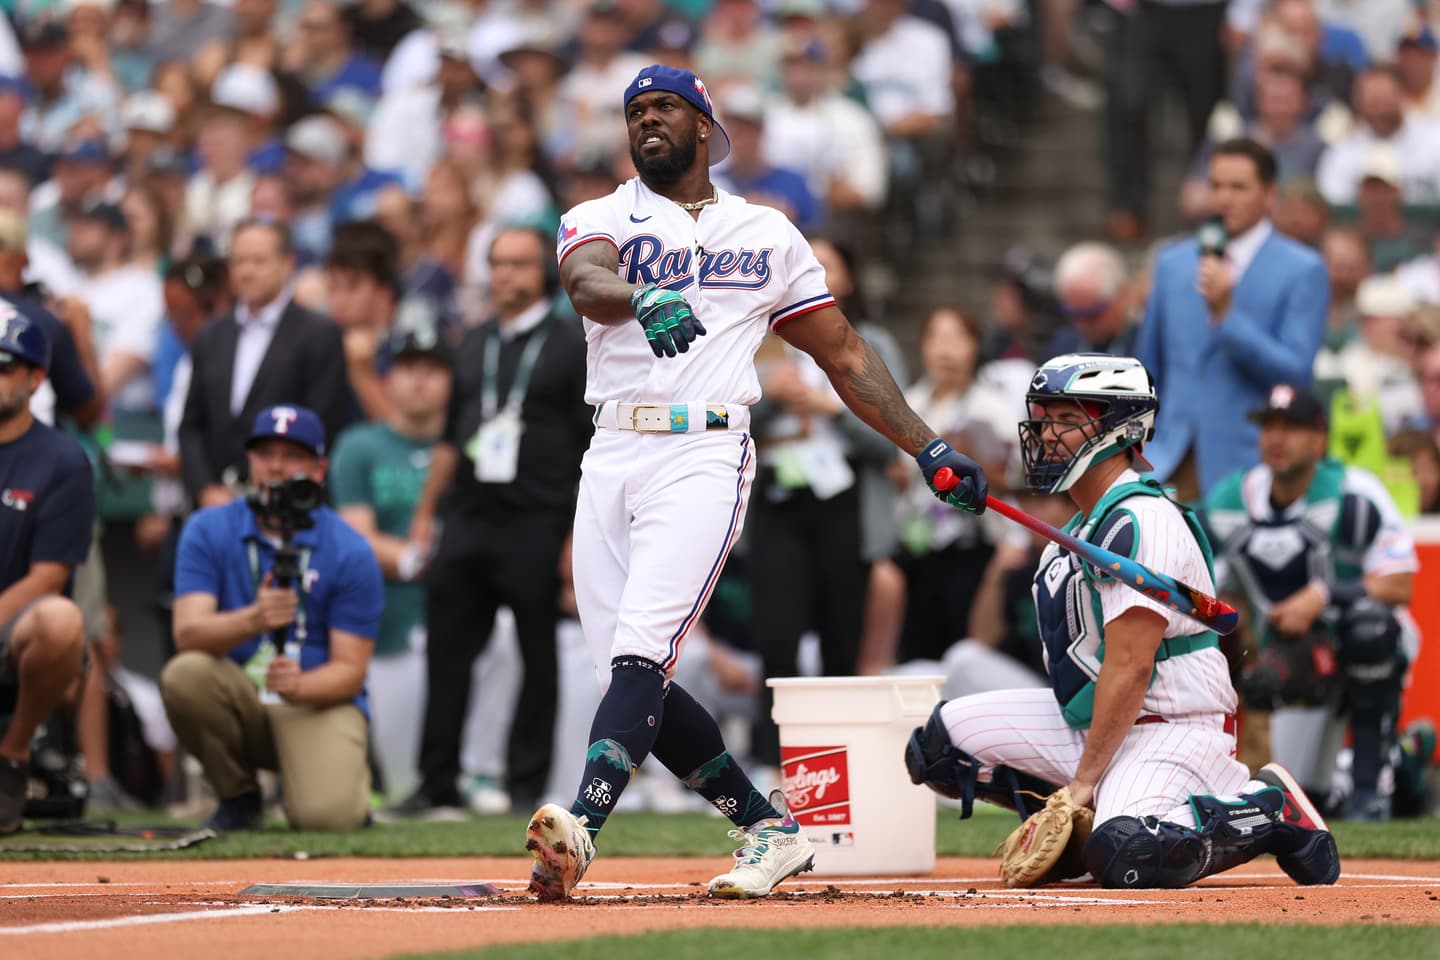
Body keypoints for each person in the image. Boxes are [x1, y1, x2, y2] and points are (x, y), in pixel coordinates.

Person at [530, 63, 987, 903]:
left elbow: (843, 353)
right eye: (634, 111)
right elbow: (587, 284)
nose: (647, 121)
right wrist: (643, 295)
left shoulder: (767, 233)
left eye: (665, 106)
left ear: (705, 125)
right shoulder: (598, 216)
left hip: (705, 450)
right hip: (611, 451)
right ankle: (769, 829)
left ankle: (584, 826)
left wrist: (928, 448)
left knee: (641, 653)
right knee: (633, 682)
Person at [903, 353, 1340, 890]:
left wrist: (1082, 783)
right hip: (1095, 722)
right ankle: (1076, 840)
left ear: (1120, 428)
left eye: (1066, 419)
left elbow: (1131, 666)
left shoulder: (1142, 520)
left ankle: (1265, 807)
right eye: (1043, 417)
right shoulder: (1084, 524)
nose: (1046, 433)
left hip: (1174, 726)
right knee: (940, 746)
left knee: (1126, 852)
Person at [400, 225, 591, 818]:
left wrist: (575, 539)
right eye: (497, 264)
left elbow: (593, 448)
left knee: (538, 658)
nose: (505, 275)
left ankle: (524, 787)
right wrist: (427, 518)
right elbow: (453, 439)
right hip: (470, 517)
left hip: (537, 519)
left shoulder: (570, 343)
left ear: (544, 273)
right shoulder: (471, 341)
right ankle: (437, 784)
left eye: (518, 264)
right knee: (447, 652)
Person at [161, 404, 383, 831]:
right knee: (185, 674)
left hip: (316, 699)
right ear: (250, 461)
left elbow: (351, 671)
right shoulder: (208, 528)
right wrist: (253, 619)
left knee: (328, 817)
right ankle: (237, 795)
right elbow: (187, 633)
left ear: (319, 469)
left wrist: (300, 685)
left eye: (293, 455)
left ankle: (341, 784)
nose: (276, 466)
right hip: (241, 690)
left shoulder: (350, 548)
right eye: (265, 453)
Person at [1204, 384, 1420, 820]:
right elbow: (1208, 590)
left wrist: (1322, 596)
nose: (1277, 438)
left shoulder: (1356, 492)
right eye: (1269, 426)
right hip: (1292, 657)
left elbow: (1400, 585)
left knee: (1370, 627)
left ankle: (1367, 791)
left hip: (1361, 640)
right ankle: (1408, 757)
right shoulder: (1231, 499)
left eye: (1293, 427)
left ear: (1320, 438)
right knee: (1307, 800)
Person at [1133, 137, 1329, 502]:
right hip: (1168, 461)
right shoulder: (1172, 264)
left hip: (1253, 468)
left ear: (1270, 195)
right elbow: (1147, 370)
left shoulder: (1303, 269)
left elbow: (1297, 374)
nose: (1224, 198)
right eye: (1217, 185)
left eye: (1238, 187)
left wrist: (1227, 316)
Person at [329, 329, 452, 804]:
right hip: (391, 625)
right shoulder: (360, 445)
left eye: (432, 370)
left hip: (461, 619)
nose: (419, 381)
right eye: (408, 369)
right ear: (388, 379)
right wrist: (412, 558)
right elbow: (355, 534)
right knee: (404, 785)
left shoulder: (468, 443)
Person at [179, 219, 355, 509]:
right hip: (215, 506)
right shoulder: (209, 335)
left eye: (259, 261)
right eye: (238, 262)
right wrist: (205, 488)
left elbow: (323, 423)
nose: (247, 272)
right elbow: (191, 425)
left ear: (288, 264)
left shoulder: (319, 334)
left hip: (289, 508)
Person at [0, 313, 92, 833]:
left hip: (15, 637)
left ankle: (10, 758)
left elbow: (48, 579)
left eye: (3, 365)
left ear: (35, 379)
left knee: (60, 620)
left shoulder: (61, 459)